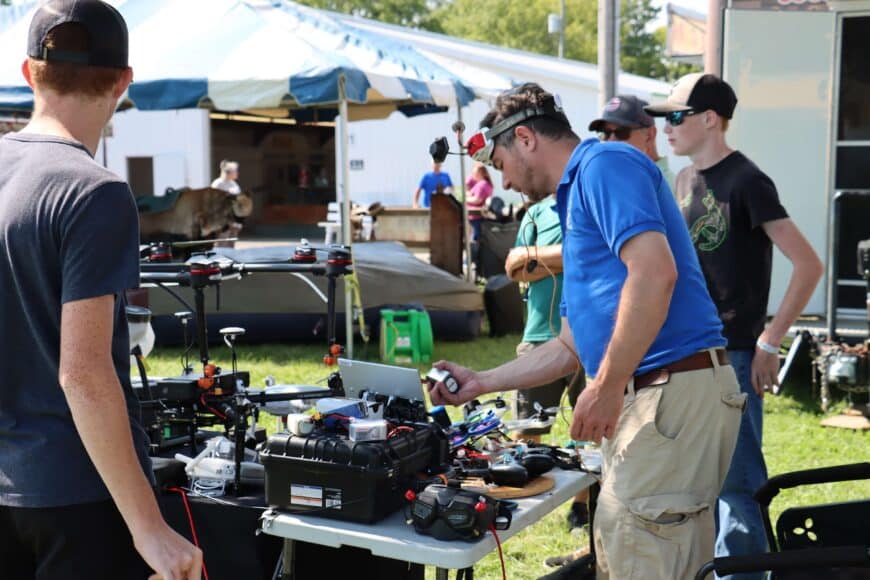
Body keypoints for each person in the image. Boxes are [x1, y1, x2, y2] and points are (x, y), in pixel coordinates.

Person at [428, 82, 744, 580]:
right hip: (664, 396)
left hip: (666, 393)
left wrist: (607, 385)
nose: (504, 182)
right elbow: (570, 345)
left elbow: (655, 273)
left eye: (500, 164)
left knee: (638, 555)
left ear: (526, 138)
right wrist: (482, 381)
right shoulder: (573, 202)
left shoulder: (604, 165)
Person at [0, 2, 202, 579]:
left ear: (28, 72)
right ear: (124, 82)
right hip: (76, 499)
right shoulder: (96, 194)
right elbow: (83, 373)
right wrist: (150, 530)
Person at [646, 73, 824, 579]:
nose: (667, 128)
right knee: (699, 481)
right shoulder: (681, 181)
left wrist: (770, 341)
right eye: (663, 119)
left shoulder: (747, 180)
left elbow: (808, 265)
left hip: (738, 355)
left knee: (739, 484)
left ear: (709, 119)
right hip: (689, 353)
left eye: (676, 117)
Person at [504, 193, 589, 561]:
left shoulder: (589, 202)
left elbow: (593, 255)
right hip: (538, 336)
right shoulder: (536, 212)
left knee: (590, 432)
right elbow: (515, 268)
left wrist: (538, 257)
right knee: (525, 431)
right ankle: (519, 503)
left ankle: (582, 506)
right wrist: (569, 257)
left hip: (589, 340)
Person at [589, 94, 675, 189]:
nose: (611, 140)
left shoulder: (665, 185)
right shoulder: (612, 179)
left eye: (621, 132)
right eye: (606, 133)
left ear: (649, 135)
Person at [465, 162, 494, 241]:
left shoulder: (482, 185)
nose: (473, 175)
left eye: (475, 173)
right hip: (479, 216)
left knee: (475, 239)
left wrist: (465, 200)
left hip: (476, 216)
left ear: (480, 173)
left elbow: (478, 199)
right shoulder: (485, 184)